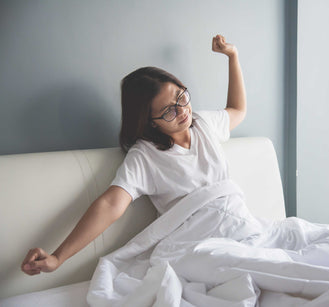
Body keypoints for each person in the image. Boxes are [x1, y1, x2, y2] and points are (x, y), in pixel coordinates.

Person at [21, 34, 246, 276]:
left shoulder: (203, 123)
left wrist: (232, 56)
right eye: (168, 110)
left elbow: (237, 110)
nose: (181, 110)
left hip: (239, 226)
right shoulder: (145, 156)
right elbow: (110, 204)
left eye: (181, 97)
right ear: (150, 122)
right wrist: (57, 257)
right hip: (197, 242)